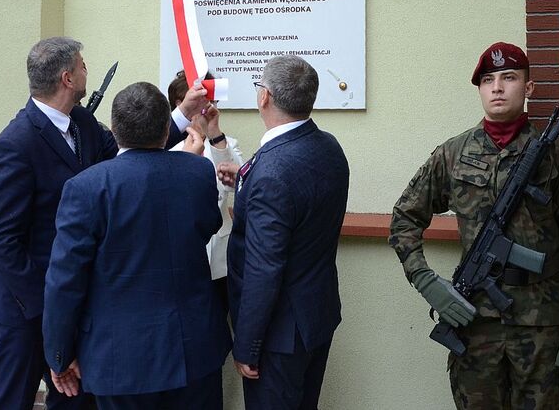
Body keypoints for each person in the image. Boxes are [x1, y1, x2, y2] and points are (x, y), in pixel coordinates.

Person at [389, 42, 559, 409]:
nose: (498, 88)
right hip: (473, 321)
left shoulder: (558, 158)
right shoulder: (453, 154)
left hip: (540, 324)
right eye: (488, 80)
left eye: (509, 77)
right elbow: (404, 218)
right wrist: (426, 281)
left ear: (528, 87)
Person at [43, 81, 231, 409]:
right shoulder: (198, 170)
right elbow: (207, 226)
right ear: (166, 129)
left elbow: (65, 281)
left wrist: (59, 353)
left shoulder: (86, 187)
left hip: (121, 358)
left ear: (114, 130)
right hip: (192, 349)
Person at [0, 37, 118, 410]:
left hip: (73, 302)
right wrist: (48, 305)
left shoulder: (83, 122)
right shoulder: (16, 143)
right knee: (13, 402)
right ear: (67, 78)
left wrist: (181, 117)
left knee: (74, 400)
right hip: (24, 308)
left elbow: (127, 157)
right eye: (82, 64)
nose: (87, 69)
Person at [217, 55, 350, 410]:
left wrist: (247, 345)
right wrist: (247, 180)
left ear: (265, 96)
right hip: (315, 317)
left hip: (278, 336)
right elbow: (299, 196)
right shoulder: (328, 146)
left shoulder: (272, 172)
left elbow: (264, 268)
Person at [167, 70, 243, 302]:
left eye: (212, 100)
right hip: (180, 254)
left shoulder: (225, 143)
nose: (208, 106)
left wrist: (215, 133)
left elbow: (237, 185)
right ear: (180, 104)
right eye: (201, 100)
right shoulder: (166, 147)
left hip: (220, 257)